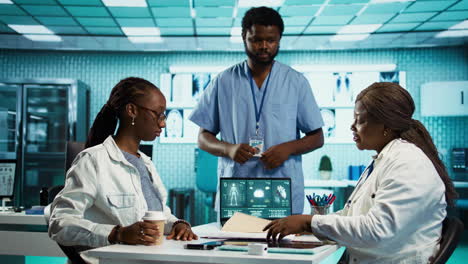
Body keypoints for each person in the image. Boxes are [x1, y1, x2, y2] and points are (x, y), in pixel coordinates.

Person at [264, 82, 458, 263]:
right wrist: (311, 226)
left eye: (360, 120)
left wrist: (309, 222)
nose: (352, 126)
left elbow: (376, 230)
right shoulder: (385, 159)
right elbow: (351, 216)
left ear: (386, 126)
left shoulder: (408, 164)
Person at [189, 6, 324, 214]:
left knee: (282, 245)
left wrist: (287, 148)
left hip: (281, 186)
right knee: (234, 243)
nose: (264, 46)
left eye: (271, 40)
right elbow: (203, 138)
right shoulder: (223, 82)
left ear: (279, 39)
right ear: (244, 37)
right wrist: (229, 149)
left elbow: (317, 137)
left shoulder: (296, 82)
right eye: (256, 39)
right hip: (236, 188)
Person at [49, 77, 198, 263]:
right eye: (157, 114)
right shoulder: (93, 160)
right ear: (132, 110)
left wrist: (177, 224)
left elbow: (158, 216)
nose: (163, 123)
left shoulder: (146, 163)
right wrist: (116, 234)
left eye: (164, 116)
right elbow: (59, 224)